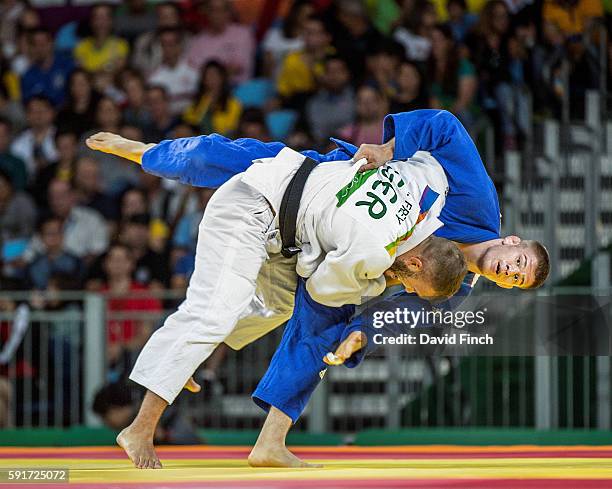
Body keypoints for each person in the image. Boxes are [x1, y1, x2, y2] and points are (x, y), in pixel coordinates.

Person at [92, 109, 550, 468]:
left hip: (333, 241)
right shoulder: (478, 204)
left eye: (516, 280)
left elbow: (395, 316)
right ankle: (150, 152)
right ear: (512, 241)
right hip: (343, 190)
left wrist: (362, 336)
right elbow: (444, 127)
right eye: (519, 263)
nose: (510, 273)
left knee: (314, 323)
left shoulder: (451, 286)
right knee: (240, 156)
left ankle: (269, 439)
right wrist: (390, 149)